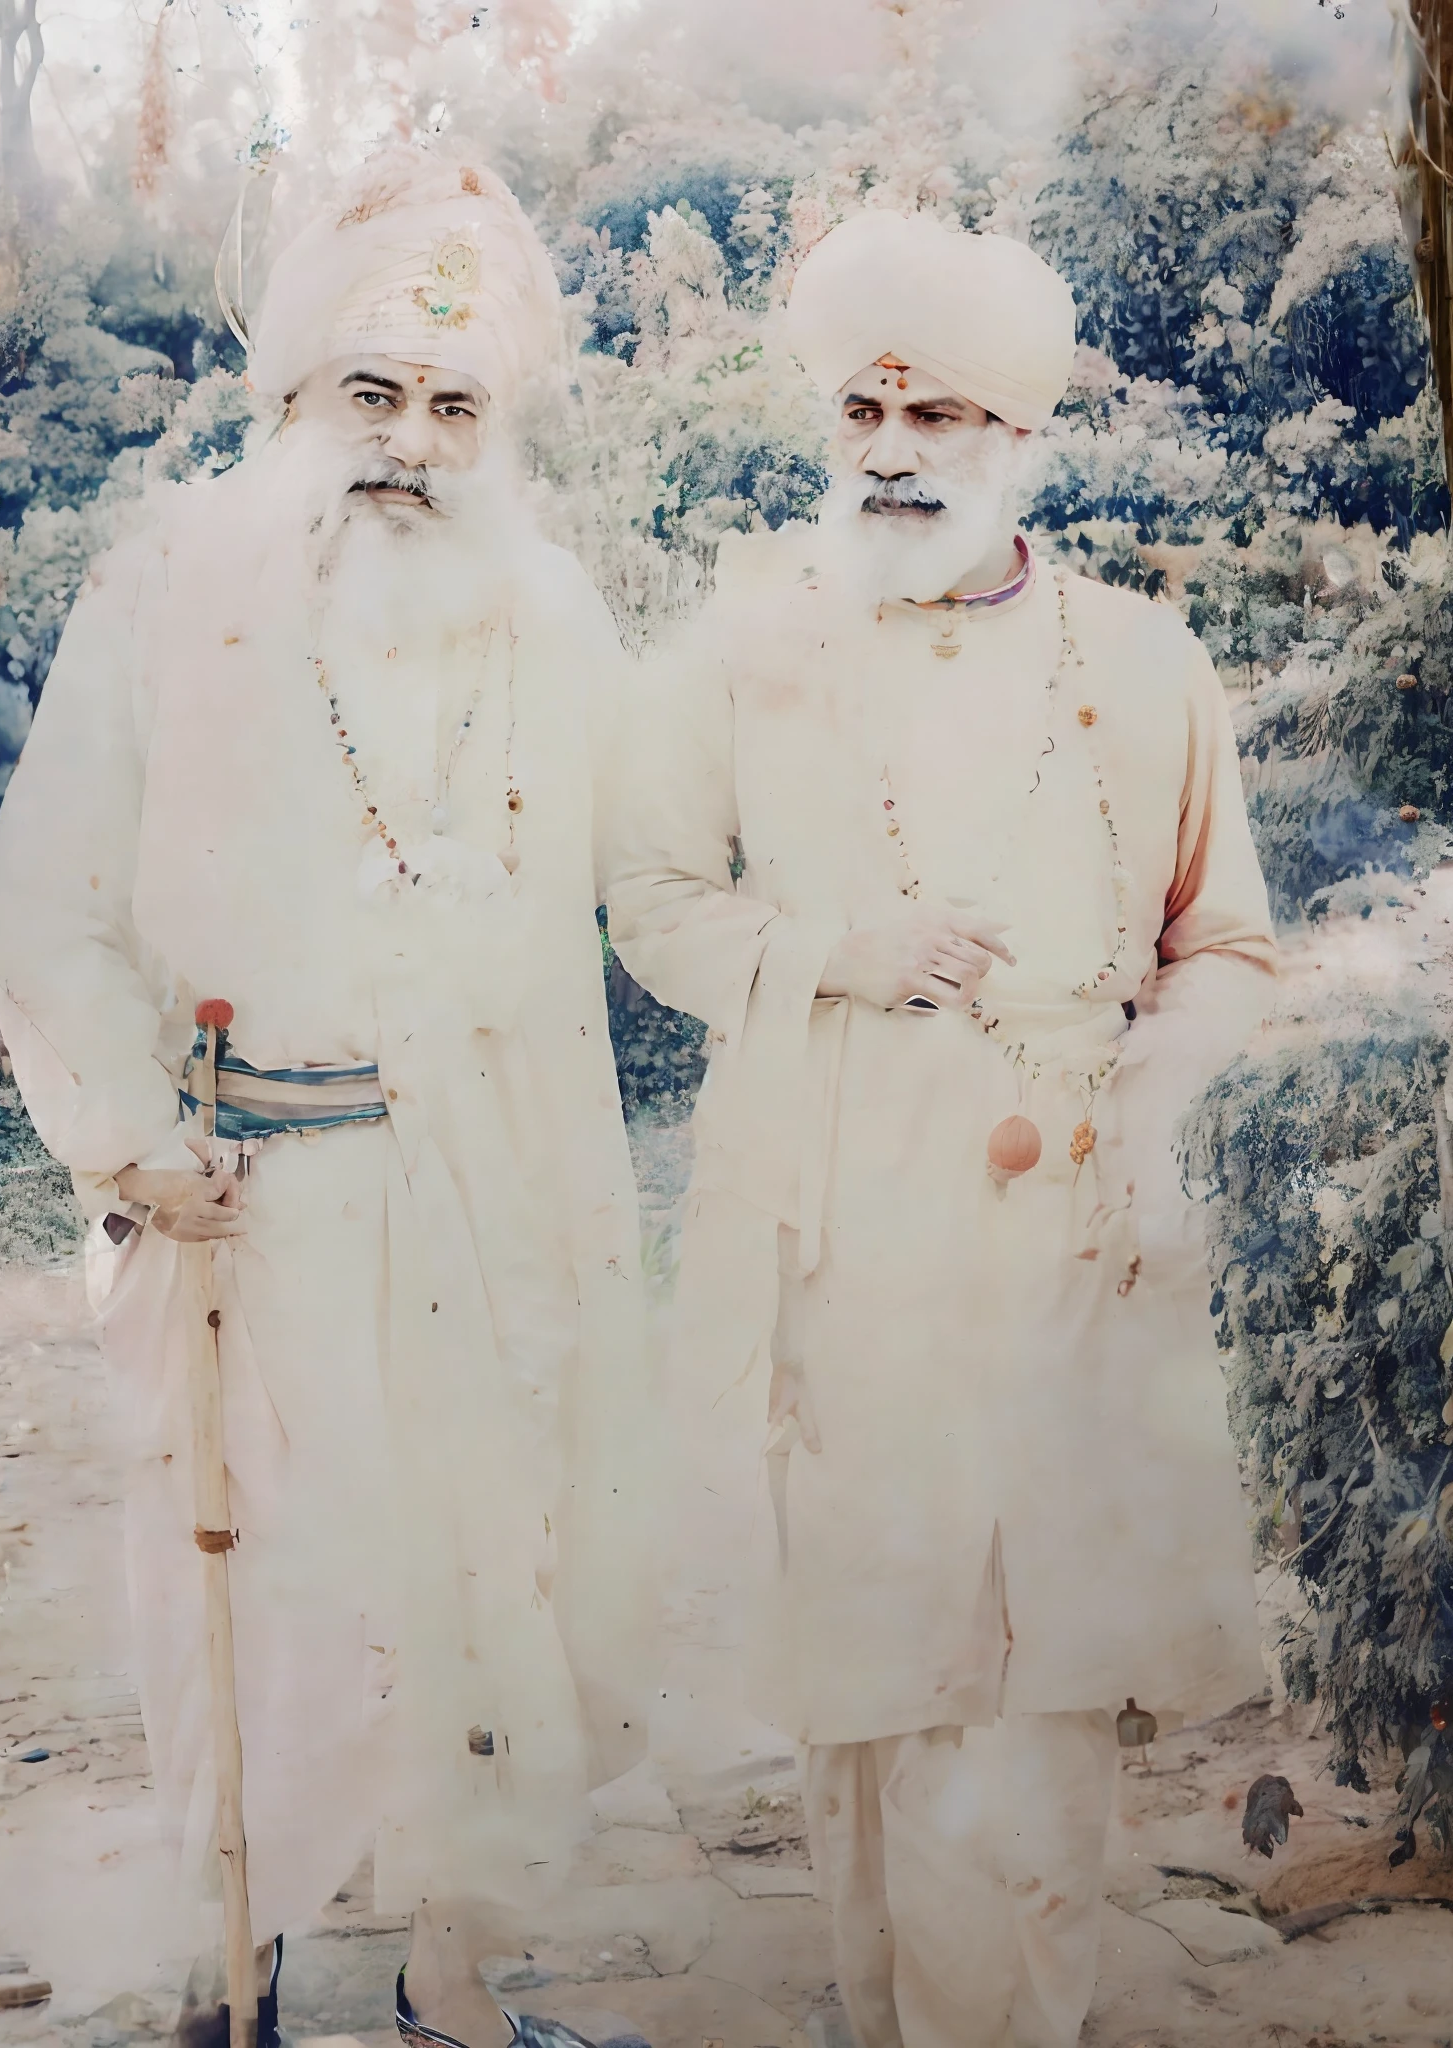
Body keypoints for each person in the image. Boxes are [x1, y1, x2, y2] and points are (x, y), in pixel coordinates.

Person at [0, 151, 651, 2048]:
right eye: (374, 393)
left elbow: (671, 840)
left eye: (455, 406)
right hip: (238, 1198)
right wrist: (125, 1133)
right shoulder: (168, 576)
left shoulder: (546, 609)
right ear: (293, 398)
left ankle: (451, 1984)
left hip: (473, 1191)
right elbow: (40, 895)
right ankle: (235, 1976)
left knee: (470, 1585)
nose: (411, 443)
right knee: (252, 1597)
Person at [604, 210, 1278, 2048]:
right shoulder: (744, 651)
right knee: (881, 1677)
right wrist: (833, 949)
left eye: (942, 419)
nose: (893, 455)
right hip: (838, 1209)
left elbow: (1225, 948)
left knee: (1039, 1695)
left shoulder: (1144, 660)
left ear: (1022, 441)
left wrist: (1150, 1096)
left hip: (1067, 1216)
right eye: (862, 417)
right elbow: (651, 899)